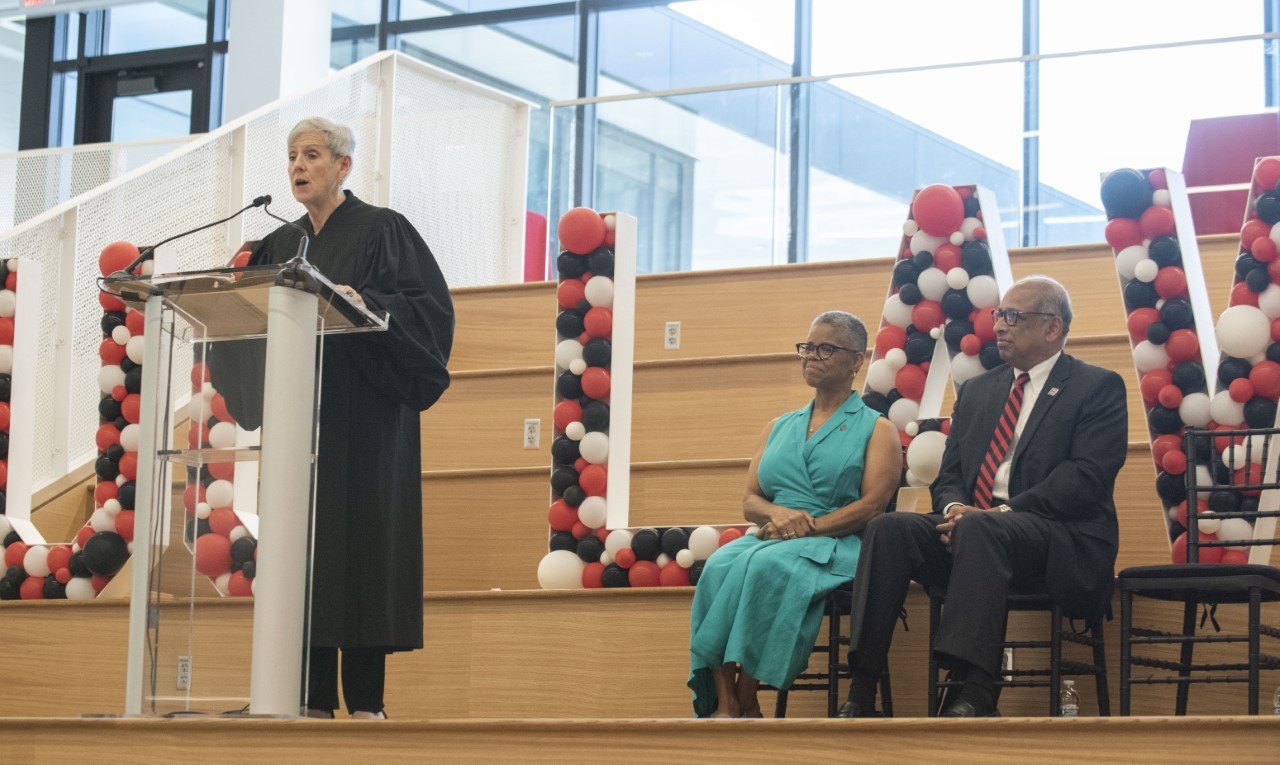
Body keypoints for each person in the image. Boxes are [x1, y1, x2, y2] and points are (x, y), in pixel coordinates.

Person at [211, 116, 454, 719]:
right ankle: (311, 701)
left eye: (312, 155)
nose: (298, 166)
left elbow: (428, 312)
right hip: (303, 425)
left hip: (367, 418)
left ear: (343, 166)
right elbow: (246, 326)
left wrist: (364, 301)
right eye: (292, 155)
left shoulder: (383, 229)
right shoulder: (280, 246)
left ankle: (366, 705)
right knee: (304, 552)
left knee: (363, 549)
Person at [836, 276, 1126, 718]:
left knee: (981, 525)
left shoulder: (1096, 387)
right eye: (998, 315)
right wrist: (954, 509)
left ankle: (975, 691)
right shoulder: (977, 391)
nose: (1000, 327)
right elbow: (949, 475)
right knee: (888, 528)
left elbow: (1085, 479)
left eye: (1013, 316)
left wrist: (1000, 513)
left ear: (1052, 328)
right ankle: (862, 690)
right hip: (974, 530)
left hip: (1056, 538)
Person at [688, 311, 902, 718]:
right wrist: (780, 516)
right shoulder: (777, 426)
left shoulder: (878, 429)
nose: (812, 357)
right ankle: (726, 697)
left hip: (837, 543)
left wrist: (808, 528)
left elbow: (873, 505)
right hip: (773, 534)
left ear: (857, 359)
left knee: (768, 567)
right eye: (808, 348)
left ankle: (749, 690)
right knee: (717, 565)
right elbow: (751, 500)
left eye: (826, 348)